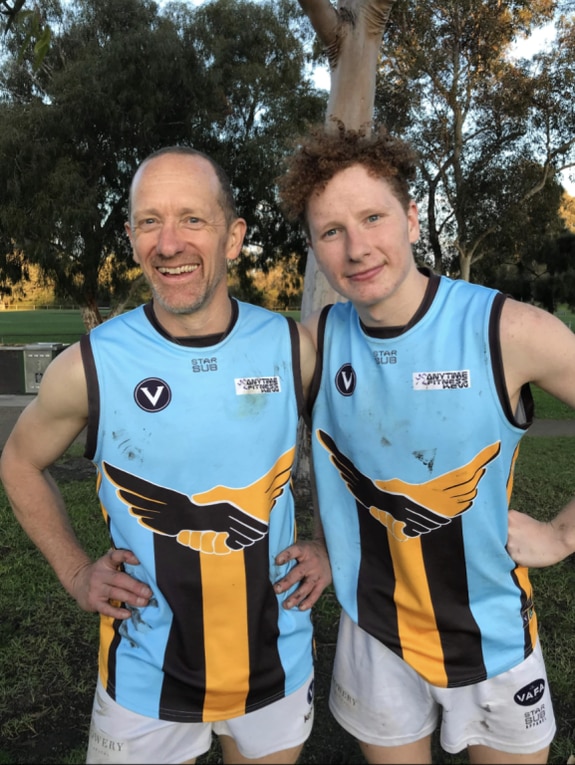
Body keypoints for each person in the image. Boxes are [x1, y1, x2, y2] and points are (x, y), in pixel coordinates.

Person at [0, 146, 331, 765]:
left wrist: (327, 543)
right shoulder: (91, 365)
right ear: (131, 239)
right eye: (150, 221)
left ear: (234, 238)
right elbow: (19, 462)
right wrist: (76, 571)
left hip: (276, 659)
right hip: (145, 672)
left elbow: (349, 452)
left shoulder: (294, 347)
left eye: (192, 220)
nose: (169, 242)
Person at [276, 123, 575, 764]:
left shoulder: (508, 329)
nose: (357, 248)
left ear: (412, 219)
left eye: (374, 217)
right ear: (315, 249)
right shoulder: (316, 343)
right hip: (373, 630)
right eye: (332, 232)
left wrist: (564, 534)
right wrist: (328, 544)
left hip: (490, 633)